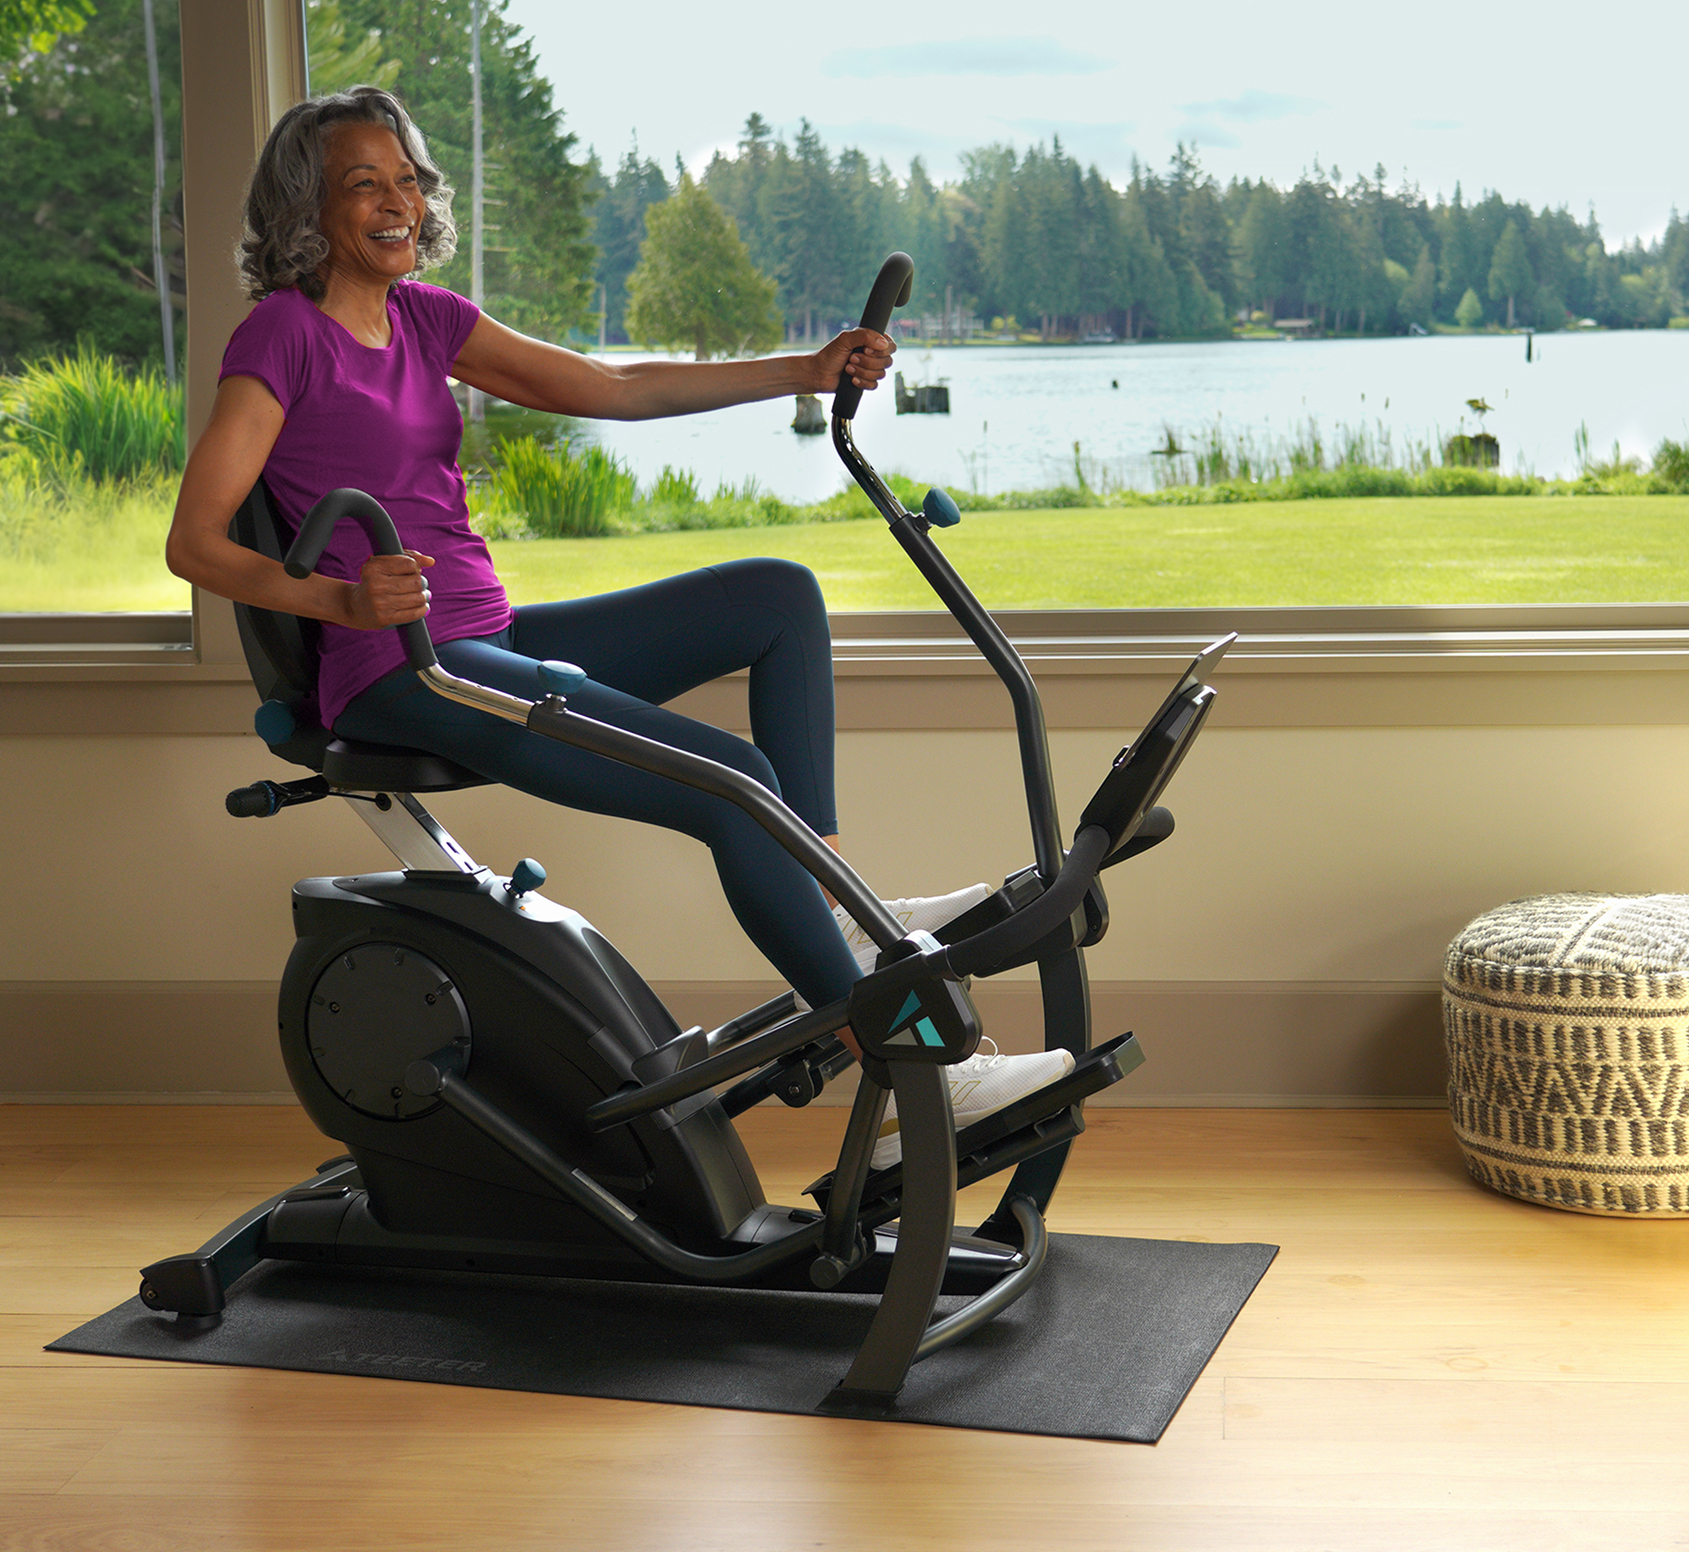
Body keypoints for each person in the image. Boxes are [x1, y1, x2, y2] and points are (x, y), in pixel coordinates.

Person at [165, 87, 1070, 1160]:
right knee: (733, 787)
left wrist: (801, 370)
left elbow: (611, 384)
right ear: (308, 207)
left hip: (485, 635)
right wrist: (336, 600)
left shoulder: (427, 317)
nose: (398, 200)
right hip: (407, 668)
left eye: (408, 177)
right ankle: (922, 1077)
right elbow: (196, 541)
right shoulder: (282, 336)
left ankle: (830, 901)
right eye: (365, 183)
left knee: (777, 596)